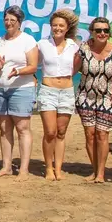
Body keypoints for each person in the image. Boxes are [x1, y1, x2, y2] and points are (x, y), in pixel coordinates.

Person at [0, 6, 38, 181]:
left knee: (22, 128)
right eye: (6, 19)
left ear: (19, 22)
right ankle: (6, 166)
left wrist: (17, 72)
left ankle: (24, 169)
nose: (9, 22)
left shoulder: (28, 40)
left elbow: (33, 66)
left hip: (22, 89)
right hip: (0, 89)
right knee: (4, 129)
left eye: (13, 20)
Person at [75, 17, 112, 183]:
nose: (102, 33)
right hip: (85, 96)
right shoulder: (84, 49)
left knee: (102, 135)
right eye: (98, 30)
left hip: (107, 98)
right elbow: (73, 69)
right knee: (90, 135)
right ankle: (94, 170)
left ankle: (101, 173)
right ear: (91, 32)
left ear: (109, 33)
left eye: (105, 30)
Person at [36, 9, 79, 180]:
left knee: (61, 132)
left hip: (67, 91)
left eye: (61, 25)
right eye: (54, 25)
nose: (57, 28)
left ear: (67, 28)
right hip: (48, 90)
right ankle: (48, 168)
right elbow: (33, 64)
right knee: (50, 132)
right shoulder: (42, 44)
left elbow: (77, 66)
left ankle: (58, 168)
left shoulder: (74, 46)